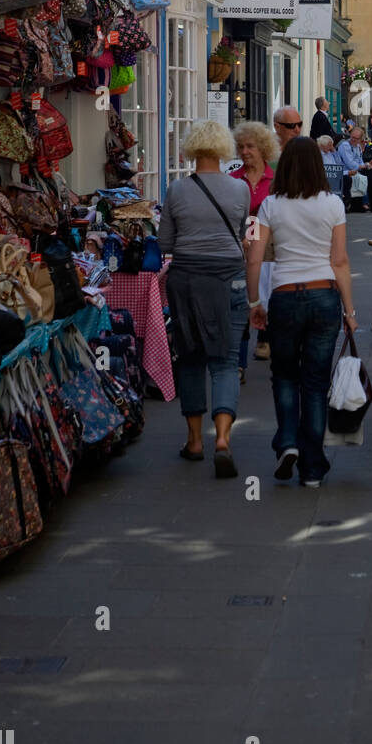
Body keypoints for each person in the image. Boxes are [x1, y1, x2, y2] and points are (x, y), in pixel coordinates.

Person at [246, 136, 356, 489]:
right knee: (315, 381)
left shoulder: (269, 206)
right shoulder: (333, 204)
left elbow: (254, 257)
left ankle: (288, 441)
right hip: (324, 296)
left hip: (285, 296)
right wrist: (350, 310)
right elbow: (339, 261)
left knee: (285, 375)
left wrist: (253, 303)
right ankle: (313, 466)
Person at [159, 121, 250, 478]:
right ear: (223, 148)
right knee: (226, 360)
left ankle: (195, 440)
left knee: (192, 357)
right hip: (230, 278)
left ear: (191, 148)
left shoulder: (177, 190)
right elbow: (241, 235)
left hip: (188, 280)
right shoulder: (240, 189)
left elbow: (165, 243)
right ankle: (223, 439)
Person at [230, 122, 277, 371]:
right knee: (241, 297)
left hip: (269, 247)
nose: (245, 151)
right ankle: (239, 361)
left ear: (263, 148)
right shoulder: (232, 180)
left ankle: (265, 337)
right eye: (240, 147)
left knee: (267, 293)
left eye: (250, 146)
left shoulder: (275, 179)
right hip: (239, 246)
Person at [337, 124, 372, 212]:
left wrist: (368, 164)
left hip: (356, 170)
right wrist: (364, 166)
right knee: (368, 173)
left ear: (360, 139)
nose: (353, 139)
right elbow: (350, 164)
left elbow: (360, 161)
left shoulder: (358, 147)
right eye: (352, 137)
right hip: (347, 171)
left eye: (356, 138)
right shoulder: (345, 145)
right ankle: (365, 203)